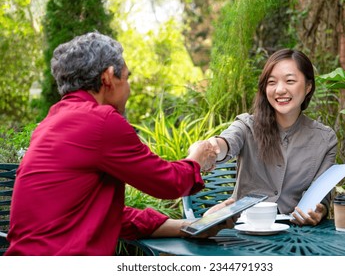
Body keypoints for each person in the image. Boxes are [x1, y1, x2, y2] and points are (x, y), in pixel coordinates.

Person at [5, 32, 232, 256]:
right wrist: (197, 158)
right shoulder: (100, 121)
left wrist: (189, 227)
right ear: (108, 77)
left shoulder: (51, 122)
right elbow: (169, 184)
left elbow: (105, 216)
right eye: (127, 77)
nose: (129, 89)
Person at [207, 49, 337, 226]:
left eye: (290, 81)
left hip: (296, 235)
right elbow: (226, 144)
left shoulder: (325, 139)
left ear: (308, 87)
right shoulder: (247, 126)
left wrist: (320, 210)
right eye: (272, 82)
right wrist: (213, 148)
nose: (280, 90)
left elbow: (322, 196)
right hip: (244, 231)